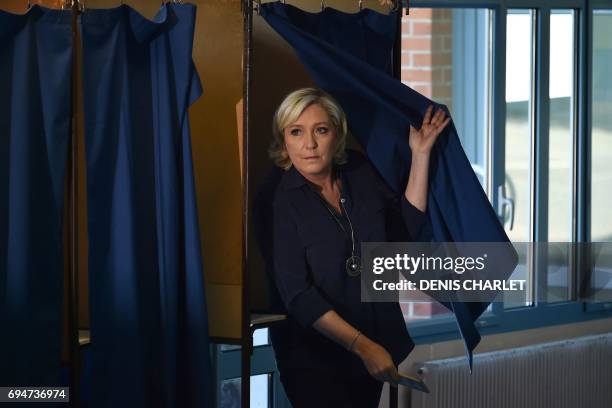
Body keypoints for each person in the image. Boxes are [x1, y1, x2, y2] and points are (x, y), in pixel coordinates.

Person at [253, 87, 450, 408]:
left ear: (337, 133)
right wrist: (363, 347)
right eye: (296, 132)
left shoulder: (358, 170)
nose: (310, 144)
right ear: (283, 139)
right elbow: (298, 295)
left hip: (376, 339)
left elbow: (402, 234)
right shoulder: (274, 198)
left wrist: (421, 154)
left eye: (321, 130)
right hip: (316, 360)